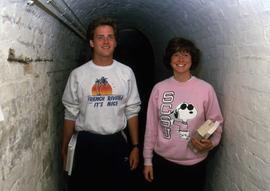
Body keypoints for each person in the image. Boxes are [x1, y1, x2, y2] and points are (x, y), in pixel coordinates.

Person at [61, 16, 141, 190]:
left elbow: (132, 111)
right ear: (91, 42)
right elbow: (70, 113)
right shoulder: (78, 75)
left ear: (115, 42)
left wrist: (135, 146)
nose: (106, 41)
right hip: (86, 143)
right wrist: (65, 146)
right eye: (100, 37)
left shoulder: (126, 73)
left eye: (110, 36)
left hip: (116, 144)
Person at [143, 37, 223, 190]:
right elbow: (151, 127)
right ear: (169, 59)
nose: (181, 59)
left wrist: (212, 143)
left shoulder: (206, 89)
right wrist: (148, 160)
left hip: (194, 165)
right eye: (176, 54)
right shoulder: (159, 89)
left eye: (186, 54)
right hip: (163, 162)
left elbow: (216, 122)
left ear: (192, 59)